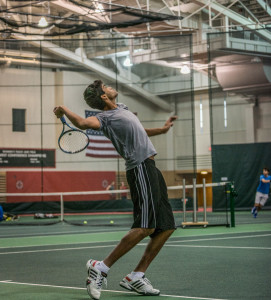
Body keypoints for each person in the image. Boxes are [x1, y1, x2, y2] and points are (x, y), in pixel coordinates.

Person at [54, 79, 177, 300]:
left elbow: (140, 130)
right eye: (107, 87)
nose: (111, 87)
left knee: (166, 226)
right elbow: (82, 123)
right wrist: (63, 109)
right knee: (146, 226)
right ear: (103, 96)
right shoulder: (103, 118)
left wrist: (163, 129)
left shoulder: (122, 109)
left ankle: (136, 276)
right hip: (139, 168)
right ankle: (100, 267)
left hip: (151, 167)